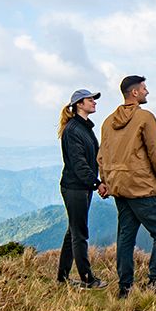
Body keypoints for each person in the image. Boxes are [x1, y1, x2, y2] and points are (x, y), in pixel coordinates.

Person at [98, 75, 156, 299]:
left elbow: (102, 156)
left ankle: (125, 288)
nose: (147, 92)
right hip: (143, 188)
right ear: (134, 92)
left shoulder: (107, 122)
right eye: (144, 88)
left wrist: (105, 181)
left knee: (125, 237)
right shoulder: (145, 118)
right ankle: (155, 281)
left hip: (119, 189)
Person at [56, 89, 108, 289]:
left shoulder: (84, 128)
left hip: (80, 187)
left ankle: (62, 278)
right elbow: (79, 165)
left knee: (73, 232)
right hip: (75, 188)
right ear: (79, 104)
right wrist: (96, 184)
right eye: (90, 100)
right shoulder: (73, 130)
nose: (94, 102)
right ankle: (88, 279)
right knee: (80, 234)